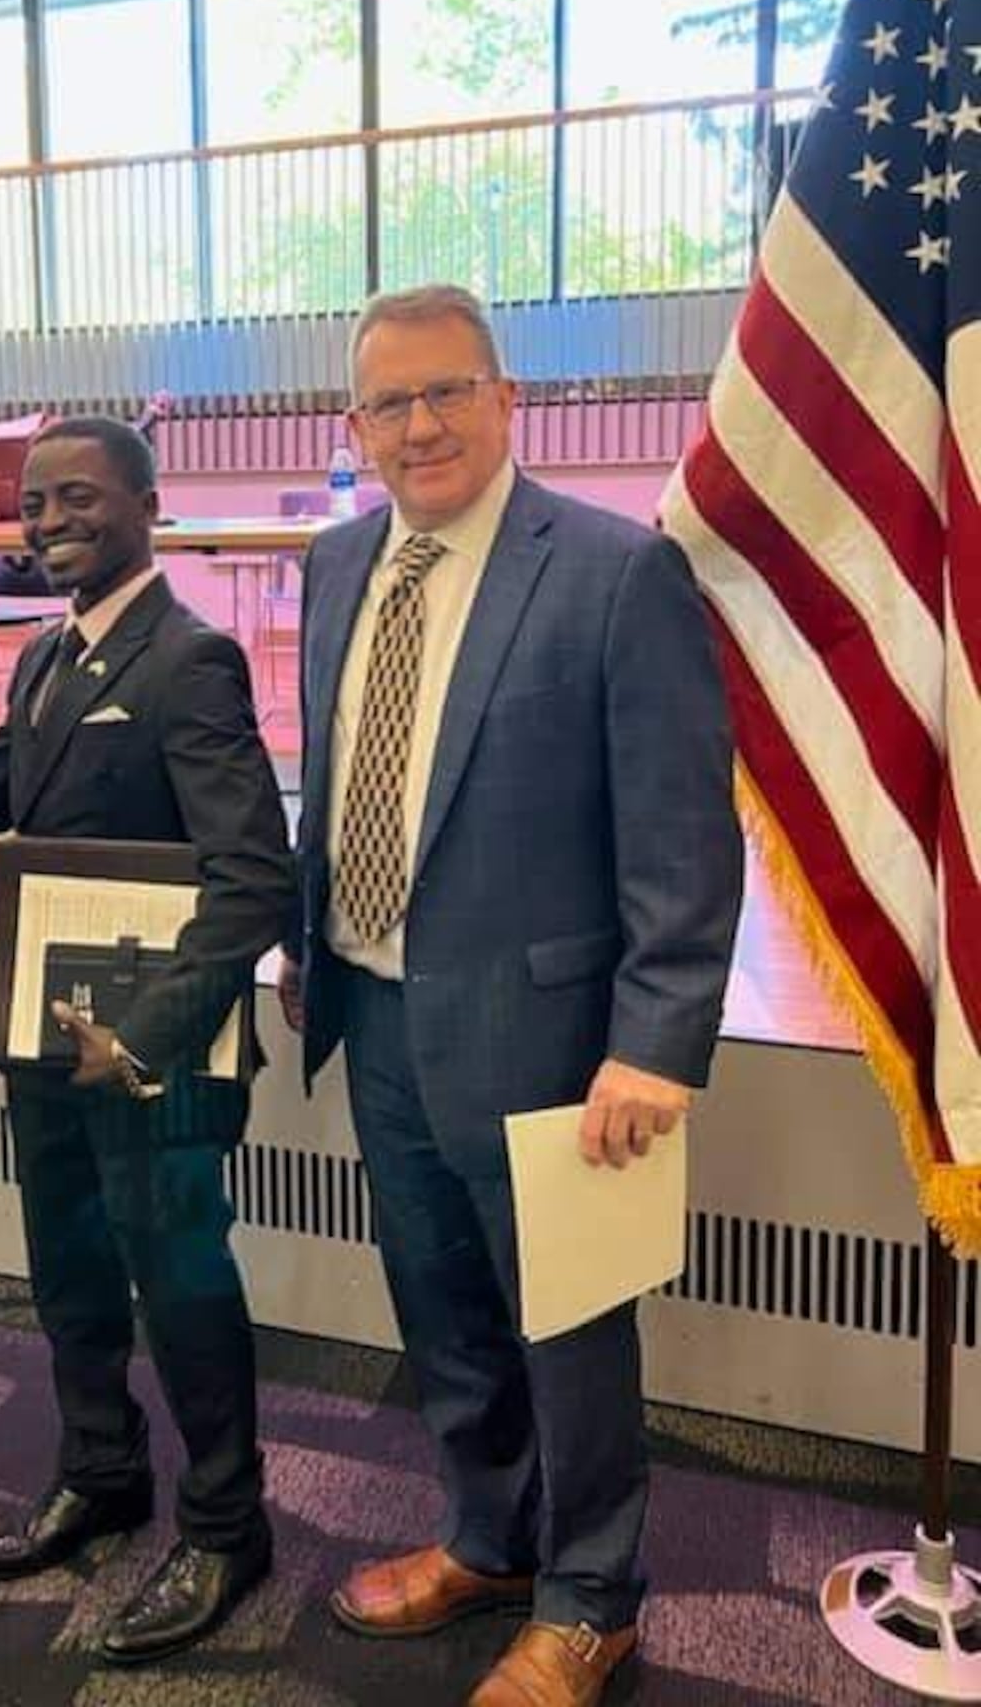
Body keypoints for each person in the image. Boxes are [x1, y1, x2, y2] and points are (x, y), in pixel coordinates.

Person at [280, 286, 741, 1707]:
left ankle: (593, 1593)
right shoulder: (338, 564)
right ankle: (487, 1533)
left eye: (445, 392)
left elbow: (682, 834)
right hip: (377, 1015)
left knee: (571, 1323)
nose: (418, 426)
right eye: (389, 403)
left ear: (504, 398)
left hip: (554, 1041)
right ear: (355, 425)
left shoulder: (613, 570)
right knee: (443, 1310)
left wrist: (655, 1040)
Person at [0, 416, 295, 1664]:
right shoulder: (50, 656)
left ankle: (225, 1523)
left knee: (185, 1287)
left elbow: (253, 880)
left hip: (151, 1051)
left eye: (80, 499)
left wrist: (146, 1038)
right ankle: (102, 1471)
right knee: (71, 1276)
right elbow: (9, 792)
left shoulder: (190, 659)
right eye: (35, 503)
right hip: (48, 1035)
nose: (49, 521)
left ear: (149, 502)